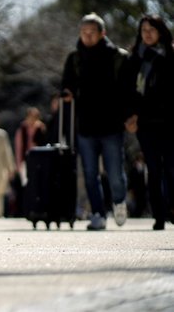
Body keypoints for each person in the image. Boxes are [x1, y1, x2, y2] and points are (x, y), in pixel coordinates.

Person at [60, 12, 135, 230]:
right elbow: (68, 84)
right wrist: (66, 94)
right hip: (85, 125)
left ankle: (119, 202)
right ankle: (98, 214)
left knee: (114, 174)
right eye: (83, 33)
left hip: (112, 125)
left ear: (103, 33)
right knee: (90, 173)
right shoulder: (75, 58)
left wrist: (130, 115)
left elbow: (128, 90)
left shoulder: (117, 57)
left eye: (91, 33)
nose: (87, 37)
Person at [126, 14, 174, 230]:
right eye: (143, 29)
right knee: (153, 169)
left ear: (160, 31)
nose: (147, 33)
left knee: (171, 168)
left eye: (151, 29)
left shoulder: (170, 55)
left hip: (169, 121)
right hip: (145, 122)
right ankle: (159, 215)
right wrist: (130, 115)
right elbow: (127, 91)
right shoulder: (135, 57)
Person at [11, 107, 47, 216]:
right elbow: (18, 147)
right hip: (25, 161)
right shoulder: (22, 129)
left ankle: (37, 208)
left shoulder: (41, 127)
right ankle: (25, 209)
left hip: (39, 160)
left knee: (38, 185)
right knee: (26, 185)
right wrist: (18, 164)